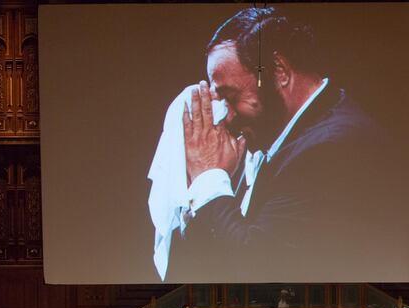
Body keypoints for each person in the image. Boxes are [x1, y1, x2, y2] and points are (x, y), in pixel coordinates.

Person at [164, 7, 393, 278]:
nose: (226, 117)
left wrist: (208, 176)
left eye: (230, 96)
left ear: (279, 71)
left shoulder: (334, 147)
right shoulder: (273, 135)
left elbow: (257, 267)